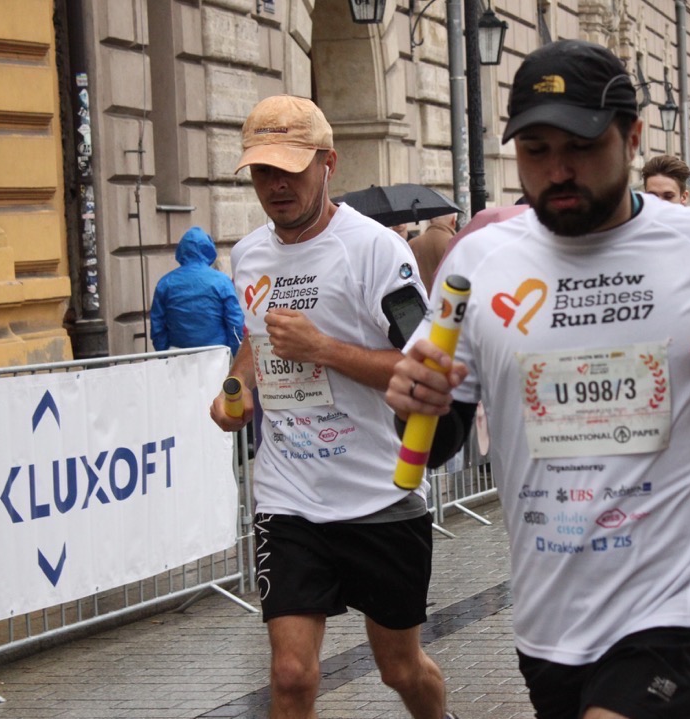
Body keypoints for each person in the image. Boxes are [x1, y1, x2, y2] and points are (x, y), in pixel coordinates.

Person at [386, 39, 690, 718]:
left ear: (631, 138)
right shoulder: (480, 261)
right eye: (535, 150)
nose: (557, 170)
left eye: (581, 146)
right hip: (552, 609)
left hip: (680, 592)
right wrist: (412, 403)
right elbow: (439, 437)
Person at [207, 94, 454, 719]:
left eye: (291, 169)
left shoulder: (376, 251)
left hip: (379, 494)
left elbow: (425, 371)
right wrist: (237, 388)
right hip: (289, 495)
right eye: (263, 171)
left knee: (400, 669)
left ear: (328, 164)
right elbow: (255, 341)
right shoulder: (250, 254)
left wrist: (323, 349)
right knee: (291, 675)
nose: (276, 185)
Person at [150, 226, 243, 355]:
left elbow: (157, 326)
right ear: (208, 250)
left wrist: (165, 354)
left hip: (178, 355)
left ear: (181, 251)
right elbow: (235, 322)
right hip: (216, 355)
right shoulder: (222, 282)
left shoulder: (166, 283)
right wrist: (232, 352)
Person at [409, 213, 459, 294]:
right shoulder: (456, 244)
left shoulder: (412, 244)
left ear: (431, 221)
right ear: (453, 221)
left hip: (420, 299)